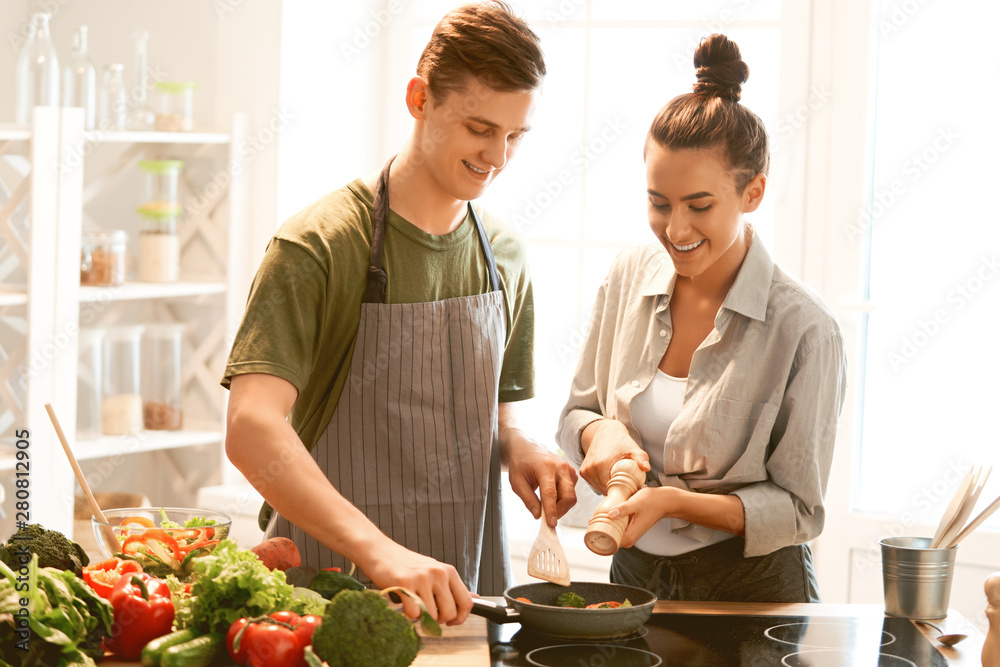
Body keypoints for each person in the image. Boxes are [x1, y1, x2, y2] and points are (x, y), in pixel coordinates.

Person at [222, 1, 577, 625]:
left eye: (515, 136)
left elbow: (499, 410)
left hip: (466, 598)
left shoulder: (506, 257)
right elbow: (251, 426)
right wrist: (381, 553)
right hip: (323, 599)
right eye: (479, 127)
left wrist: (521, 444)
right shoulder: (320, 245)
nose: (497, 156)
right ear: (419, 99)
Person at [555, 33, 847, 603]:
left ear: (753, 192)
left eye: (700, 206)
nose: (676, 230)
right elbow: (576, 414)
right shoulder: (626, 278)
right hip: (632, 577)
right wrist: (601, 430)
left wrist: (673, 502)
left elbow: (799, 510)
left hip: (751, 586)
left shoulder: (805, 329)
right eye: (659, 204)